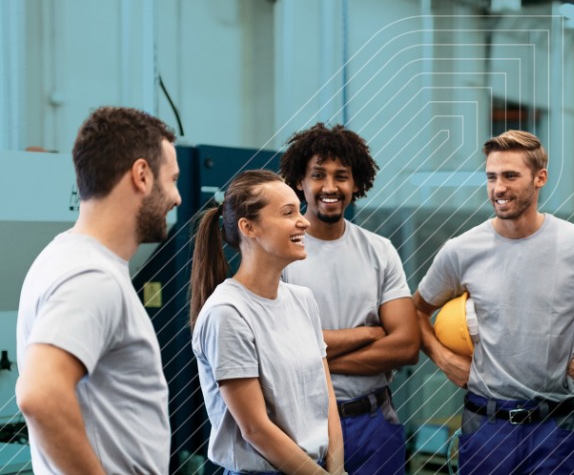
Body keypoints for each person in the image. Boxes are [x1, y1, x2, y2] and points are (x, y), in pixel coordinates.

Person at [413, 130, 574, 475]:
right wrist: (442, 358)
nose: (498, 188)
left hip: (557, 427)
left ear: (540, 178)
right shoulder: (462, 250)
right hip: (485, 426)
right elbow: (415, 310)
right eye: (491, 177)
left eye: (510, 176)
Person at [16, 106, 181, 474]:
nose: (177, 197)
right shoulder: (93, 277)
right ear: (141, 175)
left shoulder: (64, 257)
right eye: (172, 180)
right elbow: (39, 394)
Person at [279, 123, 418, 475]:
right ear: (300, 181)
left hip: (373, 425)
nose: (330, 187)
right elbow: (278, 352)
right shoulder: (280, 252)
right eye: (318, 175)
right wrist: (369, 334)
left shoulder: (379, 251)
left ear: (356, 184)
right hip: (300, 427)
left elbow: (405, 346)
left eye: (341, 176)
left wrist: (314, 362)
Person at [190, 170, 344, 475]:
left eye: (299, 210)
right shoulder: (227, 312)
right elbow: (256, 430)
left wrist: (337, 470)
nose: (304, 221)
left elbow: (327, 401)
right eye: (288, 213)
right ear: (249, 227)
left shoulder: (303, 300)